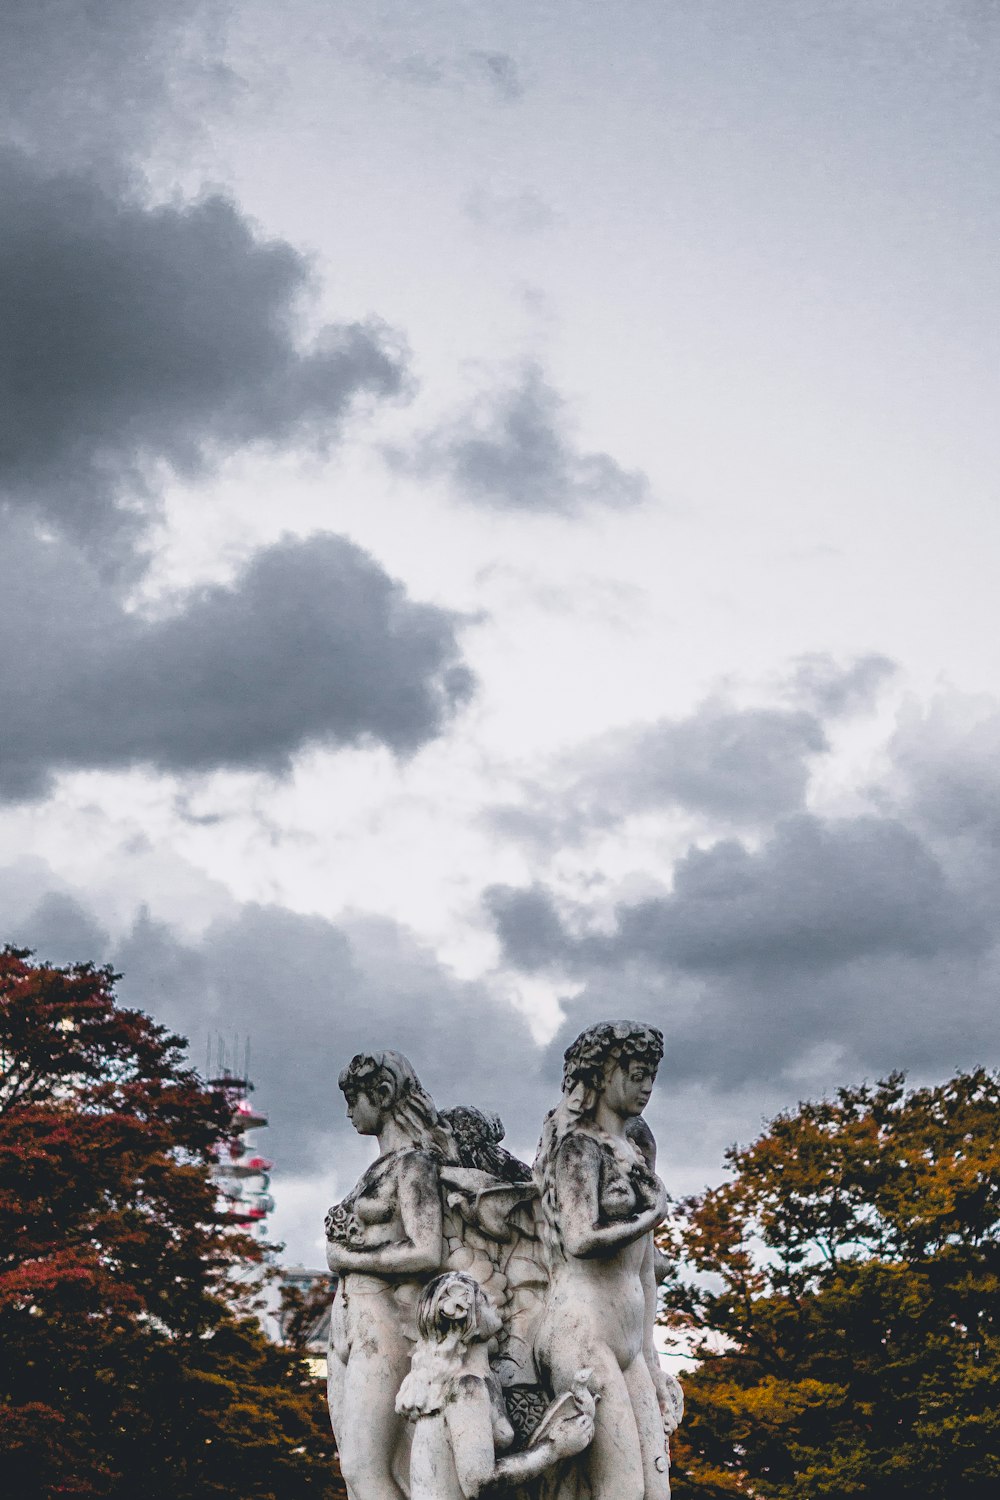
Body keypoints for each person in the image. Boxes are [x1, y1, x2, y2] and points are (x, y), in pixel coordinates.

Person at [532, 1021, 673, 1500]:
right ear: (604, 1074)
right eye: (636, 1074)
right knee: (621, 1488)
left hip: (630, 1341)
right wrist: (650, 1215)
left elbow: (644, 1271)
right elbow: (579, 1237)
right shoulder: (579, 1149)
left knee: (656, 1487)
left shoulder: (635, 1150)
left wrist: (653, 1362)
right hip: (582, 1332)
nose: (646, 1086)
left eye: (652, 1074)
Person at [325, 1051, 453, 1500]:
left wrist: (352, 1257)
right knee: (355, 1470)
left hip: (385, 1325)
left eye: (352, 1098)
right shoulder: (377, 1169)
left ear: (381, 1095)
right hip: (351, 1327)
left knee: (366, 1468)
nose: (347, 1111)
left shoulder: (413, 1165)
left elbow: (425, 1250)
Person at [396, 1272, 595, 1500]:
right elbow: (479, 1483)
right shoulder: (465, 1388)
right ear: (467, 1322)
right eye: (481, 1299)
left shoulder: (480, 1379)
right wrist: (553, 1449)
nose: (492, 1300)